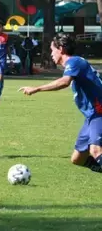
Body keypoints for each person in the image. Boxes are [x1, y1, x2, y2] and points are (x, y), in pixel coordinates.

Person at [19, 33, 102, 173]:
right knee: (77, 159)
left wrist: (37, 88)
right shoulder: (77, 63)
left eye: (53, 50)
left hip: (99, 112)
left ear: (61, 49)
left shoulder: (74, 62)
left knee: (95, 150)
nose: (51, 54)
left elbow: (64, 82)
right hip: (90, 117)